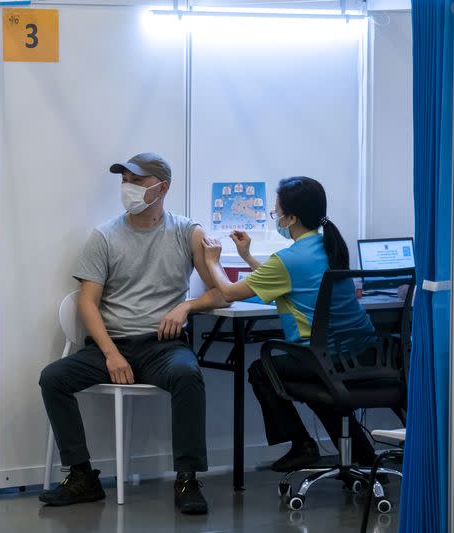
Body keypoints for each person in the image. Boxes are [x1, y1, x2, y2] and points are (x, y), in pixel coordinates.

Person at [38, 153, 227, 514]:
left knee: (188, 375)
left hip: (163, 346)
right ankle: (82, 476)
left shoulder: (189, 232)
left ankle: (187, 479)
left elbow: (219, 292)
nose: (128, 188)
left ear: (162, 187)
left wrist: (186, 306)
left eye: (137, 181)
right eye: (125, 181)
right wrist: (110, 353)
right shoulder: (104, 236)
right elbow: (88, 304)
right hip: (112, 344)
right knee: (53, 378)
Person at [201, 176, 377, 472]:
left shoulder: (290, 258)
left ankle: (301, 444)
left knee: (262, 371)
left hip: (327, 360)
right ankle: (366, 461)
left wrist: (212, 261)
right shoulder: (329, 246)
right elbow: (284, 281)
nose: (276, 218)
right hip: (364, 354)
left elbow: (230, 292)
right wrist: (247, 256)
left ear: (292, 217)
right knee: (318, 387)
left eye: (277, 213)